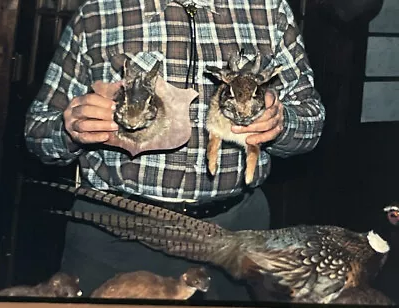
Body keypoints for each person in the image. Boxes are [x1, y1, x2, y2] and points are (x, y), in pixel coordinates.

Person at [24, 0, 325, 301]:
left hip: (234, 240)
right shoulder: (98, 12)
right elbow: (37, 132)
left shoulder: (268, 10)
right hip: (114, 237)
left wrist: (283, 123)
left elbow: (312, 120)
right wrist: (69, 129)